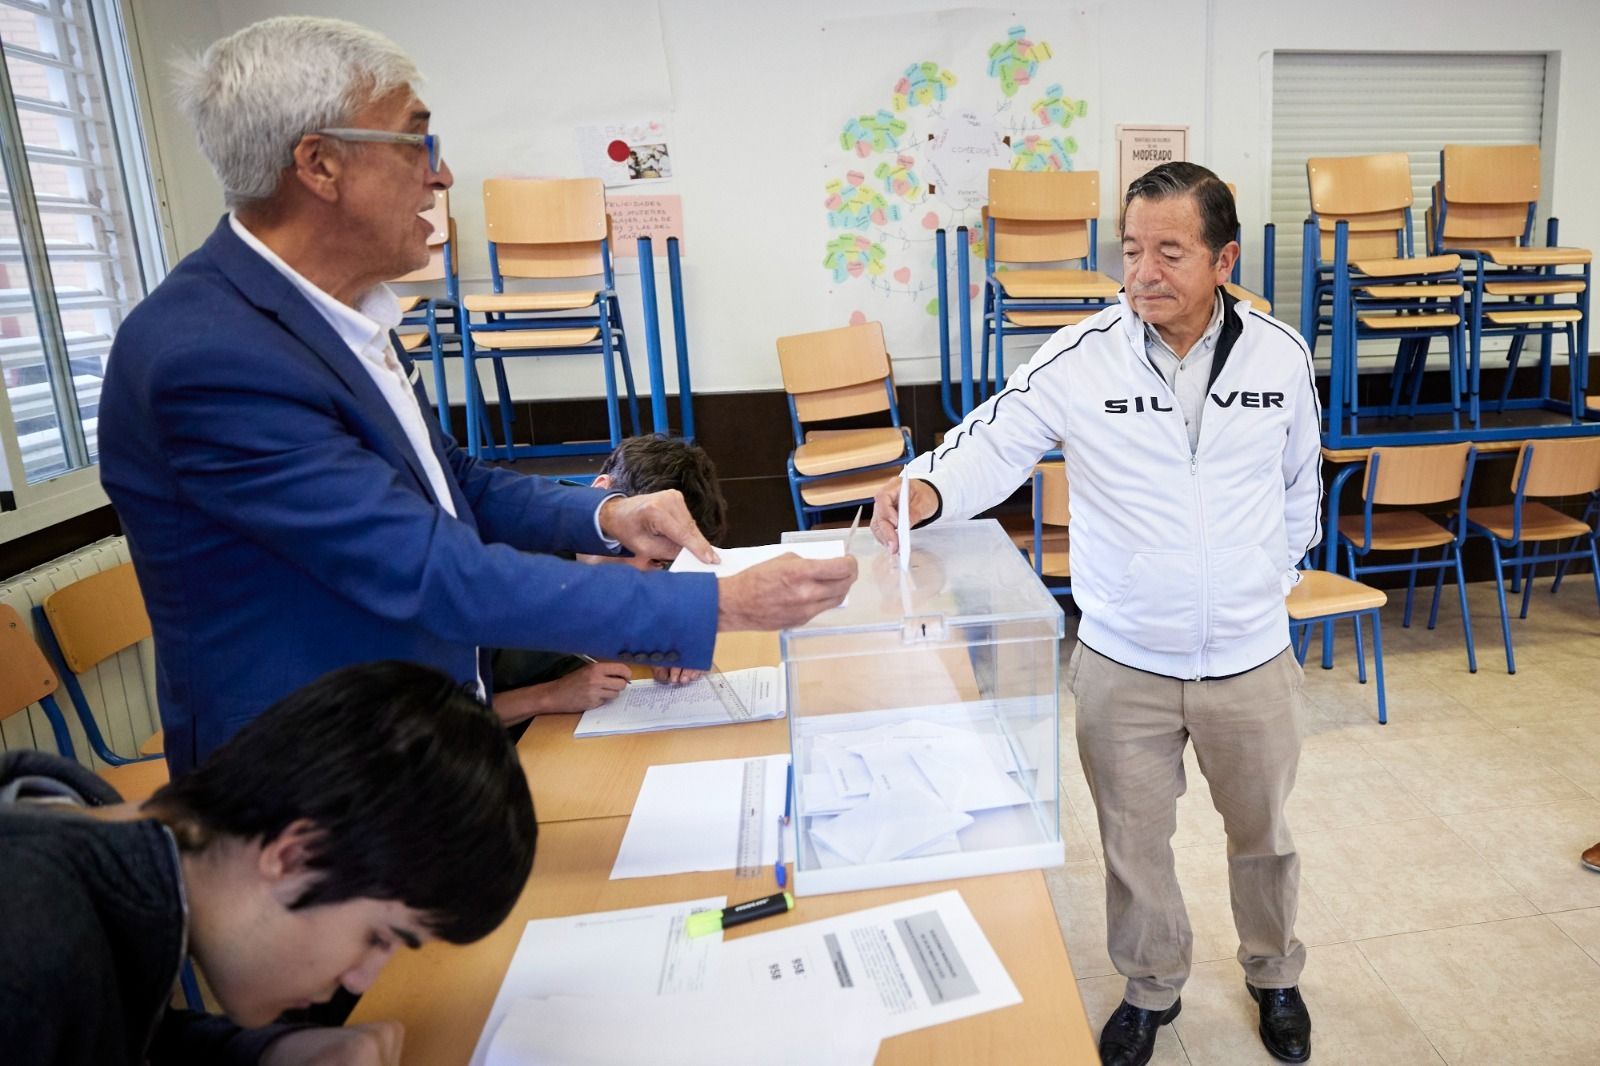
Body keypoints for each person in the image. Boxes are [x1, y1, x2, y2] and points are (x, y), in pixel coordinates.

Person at [97, 16, 855, 777]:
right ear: (320, 164)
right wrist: (716, 606)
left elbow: (452, 483)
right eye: (415, 142)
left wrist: (607, 514)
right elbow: (427, 566)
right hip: (307, 785)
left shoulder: (348, 316)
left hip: (403, 753)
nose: (442, 175)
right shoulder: (210, 358)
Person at [873, 162, 1321, 1065]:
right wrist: (924, 489)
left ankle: (1274, 974)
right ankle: (1152, 988)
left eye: (1171, 251)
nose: (1143, 273)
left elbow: (1298, 486)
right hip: (1125, 660)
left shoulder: (1280, 354)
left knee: (1264, 836)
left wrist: (1266, 581)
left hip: (1250, 659)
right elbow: (992, 440)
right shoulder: (1082, 356)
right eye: (1131, 250)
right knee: (1132, 844)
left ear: (1224, 258)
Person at [0, 660, 535, 1066]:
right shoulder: (29, 954)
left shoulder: (102, 848)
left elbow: (112, 1036)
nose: (358, 980)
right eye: (378, 937)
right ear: (296, 852)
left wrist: (270, 1052)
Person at [492, 433, 729, 729]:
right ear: (601, 495)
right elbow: (430, 717)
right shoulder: (498, 560)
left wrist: (666, 641)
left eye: (661, 562)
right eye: (638, 548)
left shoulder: (619, 562)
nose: (645, 573)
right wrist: (548, 697)